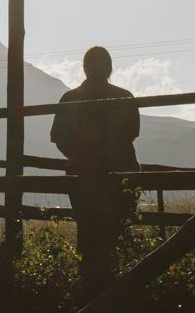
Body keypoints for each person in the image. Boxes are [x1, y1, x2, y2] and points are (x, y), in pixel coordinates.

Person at [49, 46, 140, 295]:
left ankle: (88, 288)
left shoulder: (70, 99)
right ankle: (120, 288)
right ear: (110, 68)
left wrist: (80, 156)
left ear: (84, 67)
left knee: (88, 230)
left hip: (82, 175)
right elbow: (132, 133)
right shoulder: (124, 97)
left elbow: (58, 137)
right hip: (120, 174)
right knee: (117, 230)